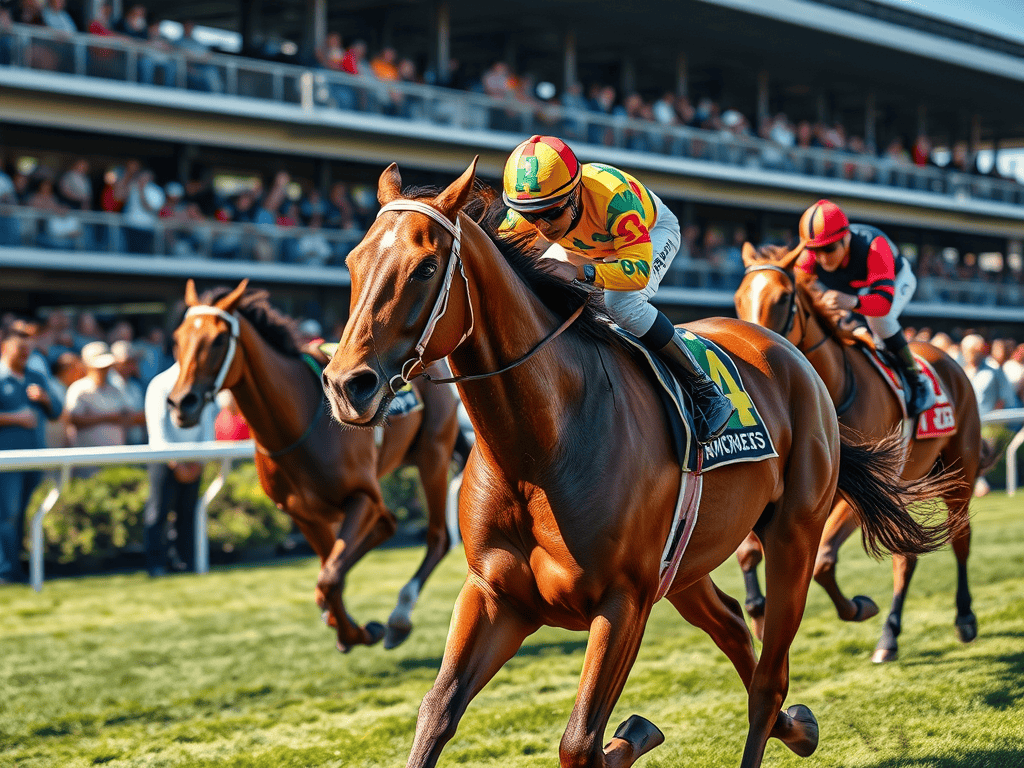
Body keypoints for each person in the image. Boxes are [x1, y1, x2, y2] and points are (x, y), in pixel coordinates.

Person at [499, 135, 734, 443]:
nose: (541, 226)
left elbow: (637, 273)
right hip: (587, 249)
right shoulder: (530, 208)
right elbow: (499, 259)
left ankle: (704, 389)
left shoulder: (615, 199)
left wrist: (580, 271)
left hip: (649, 236)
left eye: (552, 212)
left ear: (575, 193)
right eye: (531, 216)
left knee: (621, 303)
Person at [795, 199, 936, 418]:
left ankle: (917, 379)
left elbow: (882, 303)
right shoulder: (809, 257)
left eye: (829, 249)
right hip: (855, 291)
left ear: (847, 237)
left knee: (879, 320)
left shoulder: (875, 245)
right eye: (815, 251)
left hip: (894, 282)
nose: (822, 258)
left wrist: (850, 303)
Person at [0, 324, 62, 583]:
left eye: (29, 348)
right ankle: (6, 571)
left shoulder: (36, 377)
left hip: (34, 459)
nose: (26, 353)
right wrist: (16, 418)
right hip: (7, 462)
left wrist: (45, 399)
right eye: (20, 348)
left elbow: (57, 412)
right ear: (5, 347)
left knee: (24, 514)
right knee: (8, 515)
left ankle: (17, 567)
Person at [144, 356, 216, 576]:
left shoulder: (205, 384)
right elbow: (158, 430)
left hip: (194, 459)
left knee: (188, 513)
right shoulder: (160, 383)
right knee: (158, 512)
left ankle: (186, 561)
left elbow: (207, 423)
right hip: (164, 460)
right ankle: (156, 564)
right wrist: (176, 462)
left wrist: (199, 460)